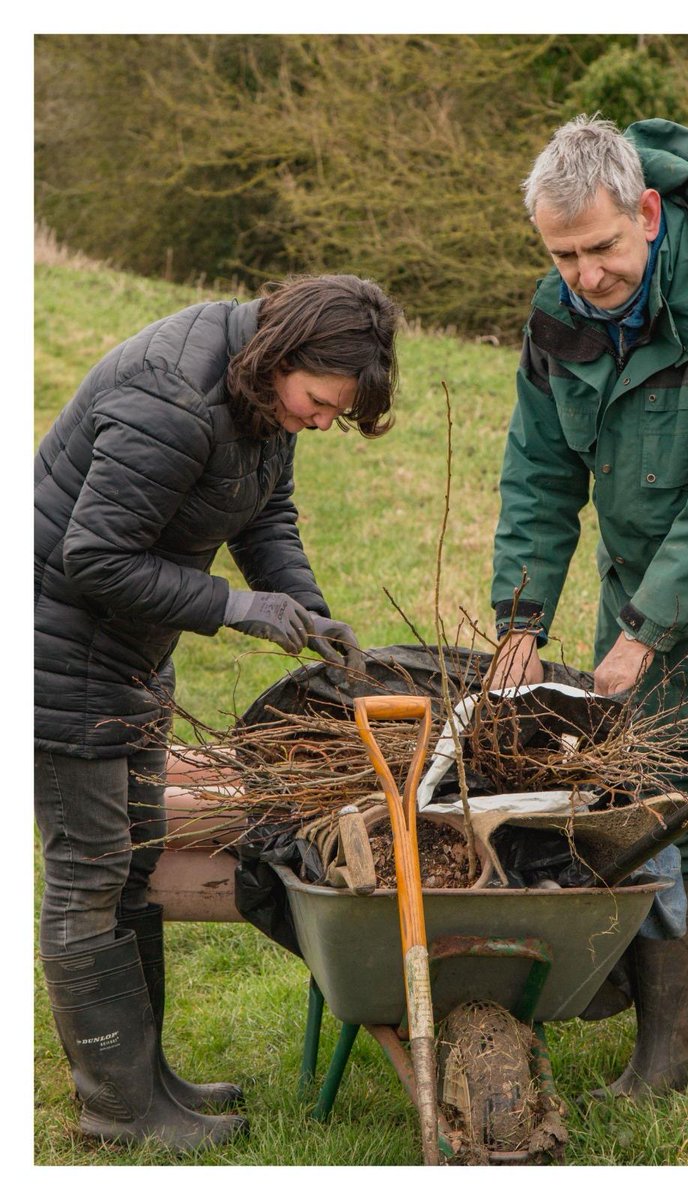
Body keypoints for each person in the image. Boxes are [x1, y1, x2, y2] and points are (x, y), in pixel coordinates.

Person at [34, 273, 401, 1149]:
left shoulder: (258, 396)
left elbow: (264, 512)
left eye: (332, 414)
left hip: (129, 652)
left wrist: (306, 612)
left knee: (131, 866)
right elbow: (93, 557)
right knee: (89, 871)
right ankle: (116, 1109)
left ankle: (146, 1081)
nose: (318, 422)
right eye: (318, 403)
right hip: (53, 652)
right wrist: (239, 607)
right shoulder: (170, 398)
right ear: (283, 355)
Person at [489, 115, 688, 1098]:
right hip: (635, 607)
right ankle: (674, 1057)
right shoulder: (556, 310)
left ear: (649, 213)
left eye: (604, 248)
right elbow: (537, 476)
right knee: (654, 823)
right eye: (563, 254)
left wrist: (644, 634)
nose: (586, 274)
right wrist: (521, 622)